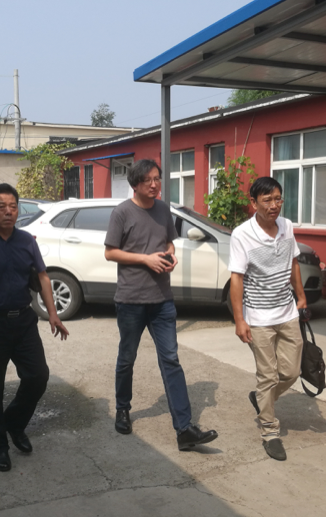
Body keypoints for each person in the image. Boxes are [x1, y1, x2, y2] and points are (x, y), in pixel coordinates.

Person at [104, 159, 218, 451]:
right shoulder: (122, 212)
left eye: (157, 179)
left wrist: (170, 254)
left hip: (162, 300)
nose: (155, 185)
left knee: (171, 360)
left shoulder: (163, 209)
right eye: (148, 180)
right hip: (131, 300)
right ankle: (122, 408)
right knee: (127, 358)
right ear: (135, 184)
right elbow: (110, 253)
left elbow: (169, 242)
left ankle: (184, 429)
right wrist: (146, 259)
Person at [0, 183, 69, 472]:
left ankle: (14, 423)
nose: (8, 212)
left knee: (38, 376)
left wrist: (53, 314)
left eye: (13, 206)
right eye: (1, 207)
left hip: (23, 321)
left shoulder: (26, 241)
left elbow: (43, 277)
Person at [228, 176, 307, 461]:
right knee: (268, 376)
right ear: (253, 203)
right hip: (258, 317)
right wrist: (240, 320)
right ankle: (270, 432)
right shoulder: (241, 235)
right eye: (267, 200)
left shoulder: (287, 226)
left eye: (278, 199)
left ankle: (262, 399)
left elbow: (293, 262)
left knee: (291, 372)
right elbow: (237, 278)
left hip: (286, 312)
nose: (274, 205)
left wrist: (301, 296)